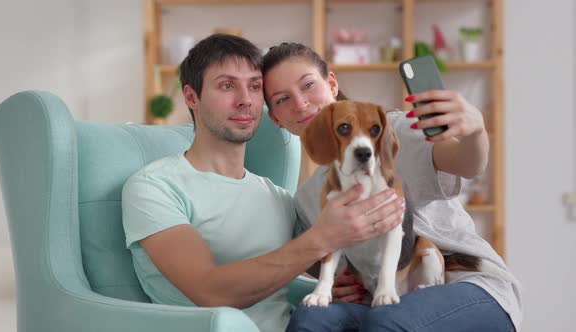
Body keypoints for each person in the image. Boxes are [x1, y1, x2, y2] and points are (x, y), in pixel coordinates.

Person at [121, 34, 405, 332]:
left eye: (255, 87)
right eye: (227, 85)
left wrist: (334, 286)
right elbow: (209, 291)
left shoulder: (279, 199)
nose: (245, 100)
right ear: (191, 97)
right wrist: (322, 238)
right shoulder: (155, 187)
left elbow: (313, 269)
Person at [261, 42, 522, 332]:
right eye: (283, 99)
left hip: (466, 283)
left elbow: (467, 163)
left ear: (331, 84)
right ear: (275, 119)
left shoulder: (388, 133)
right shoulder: (306, 199)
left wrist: (475, 130)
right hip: (386, 300)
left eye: (308, 85)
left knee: (386, 321)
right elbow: (347, 265)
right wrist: (341, 283)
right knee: (310, 320)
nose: (300, 103)